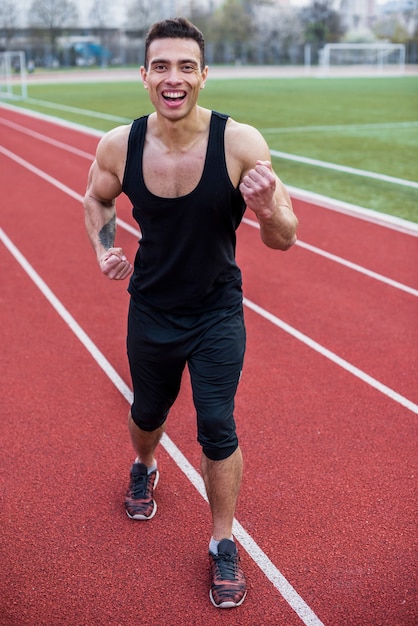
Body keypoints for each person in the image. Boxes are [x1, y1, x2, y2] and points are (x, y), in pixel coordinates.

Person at [83, 17, 298, 609]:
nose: (172, 77)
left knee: (216, 425)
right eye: (161, 66)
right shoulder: (118, 146)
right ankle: (144, 463)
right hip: (150, 306)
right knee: (148, 412)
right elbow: (98, 197)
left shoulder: (240, 144)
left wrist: (265, 210)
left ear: (203, 75)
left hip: (215, 312)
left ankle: (222, 542)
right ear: (144, 75)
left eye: (185, 66)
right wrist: (106, 248)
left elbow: (286, 236)